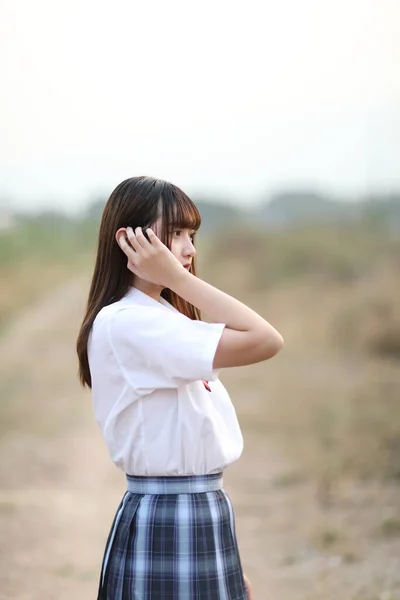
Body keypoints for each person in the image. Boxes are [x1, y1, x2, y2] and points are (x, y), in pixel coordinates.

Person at [76, 176, 284, 600]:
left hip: (199, 509)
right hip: (169, 515)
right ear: (129, 240)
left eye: (192, 235)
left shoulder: (164, 316)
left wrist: (231, 560)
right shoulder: (130, 322)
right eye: (175, 234)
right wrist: (181, 280)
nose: (189, 250)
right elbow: (266, 339)